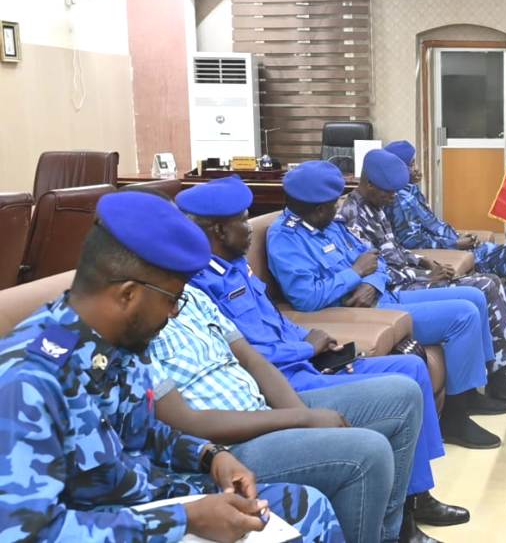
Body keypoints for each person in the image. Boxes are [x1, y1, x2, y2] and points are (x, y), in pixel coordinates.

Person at [0, 191, 342, 542]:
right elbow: (25, 534)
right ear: (128, 294)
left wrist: (210, 456)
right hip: (111, 526)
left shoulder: (119, 341)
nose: (175, 312)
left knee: (306, 508)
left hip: (151, 499)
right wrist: (183, 520)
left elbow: (145, 432)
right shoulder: (27, 380)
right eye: (172, 299)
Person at [171, 175, 468, 542]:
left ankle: (410, 507)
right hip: (285, 378)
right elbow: (254, 350)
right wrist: (306, 349)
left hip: (302, 363)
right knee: (394, 402)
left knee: (410, 371)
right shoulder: (202, 284)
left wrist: (315, 341)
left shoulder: (235, 267)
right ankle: (401, 522)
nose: (249, 230)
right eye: (243, 222)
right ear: (219, 230)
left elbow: (278, 320)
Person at [148, 284, 428, 543]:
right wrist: (303, 420)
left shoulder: (192, 294)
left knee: (403, 394)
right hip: (228, 449)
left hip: (263, 410)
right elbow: (185, 422)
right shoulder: (143, 314)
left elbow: (251, 360)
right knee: (368, 451)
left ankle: (387, 536)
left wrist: (301, 417)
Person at [265, 160, 506, 448]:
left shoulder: (331, 226)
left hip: (382, 295)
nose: (337, 209)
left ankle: (468, 393)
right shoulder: (285, 238)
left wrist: (372, 282)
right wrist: (355, 273)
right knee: (463, 314)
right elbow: (306, 297)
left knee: (474, 297)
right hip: (358, 312)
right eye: (332, 205)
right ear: (319, 209)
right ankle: (454, 418)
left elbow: (375, 259)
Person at [337, 150, 506, 410]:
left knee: (488, 283)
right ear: (369, 183)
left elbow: (394, 250)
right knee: (483, 286)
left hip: (407, 277)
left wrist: (422, 261)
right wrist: (426, 276)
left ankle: (501, 376)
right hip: (397, 288)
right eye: (388, 192)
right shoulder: (352, 217)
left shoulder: (375, 206)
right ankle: (498, 382)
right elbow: (375, 269)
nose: (393, 197)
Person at [382, 140, 506, 321]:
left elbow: (434, 226)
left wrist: (459, 235)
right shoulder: (398, 199)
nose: (417, 169)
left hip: (462, 247)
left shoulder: (411, 191)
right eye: (411, 165)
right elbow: (413, 242)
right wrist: (456, 243)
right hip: (452, 252)